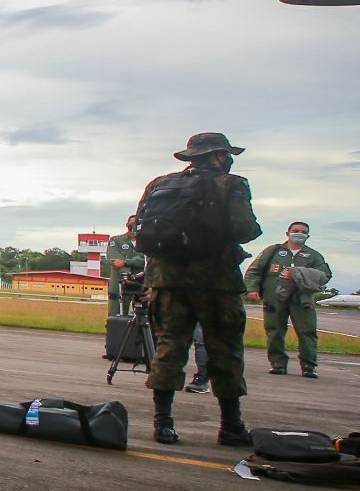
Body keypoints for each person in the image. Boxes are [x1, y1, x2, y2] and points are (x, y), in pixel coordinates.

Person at [135, 133, 262, 446]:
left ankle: (162, 424)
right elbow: (243, 229)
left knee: (168, 348)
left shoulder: (159, 184)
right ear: (218, 156)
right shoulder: (231, 184)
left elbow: (139, 226)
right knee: (225, 351)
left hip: (167, 281)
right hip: (216, 283)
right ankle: (231, 426)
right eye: (226, 155)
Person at [245, 221, 330, 378]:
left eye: (303, 232)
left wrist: (298, 273)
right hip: (274, 297)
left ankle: (309, 366)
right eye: (295, 230)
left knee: (307, 331)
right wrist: (252, 289)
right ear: (287, 233)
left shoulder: (314, 256)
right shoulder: (273, 251)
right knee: (274, 330)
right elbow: (254, 271)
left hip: (301, 299)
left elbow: (325, 275)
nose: (299, 234)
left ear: (308, 235)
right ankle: (278, 364)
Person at [105, 217, 145, 317]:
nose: (132, 226)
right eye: (131, 224)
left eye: (135, 223)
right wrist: (128, 272)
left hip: (141, 282)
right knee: (116, 314)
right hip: (119, 283)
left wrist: (126, 262)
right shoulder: (115, 240)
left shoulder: (146, 242)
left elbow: (144, 260)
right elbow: (114, 260)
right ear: (126, 225)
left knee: (143, 313)